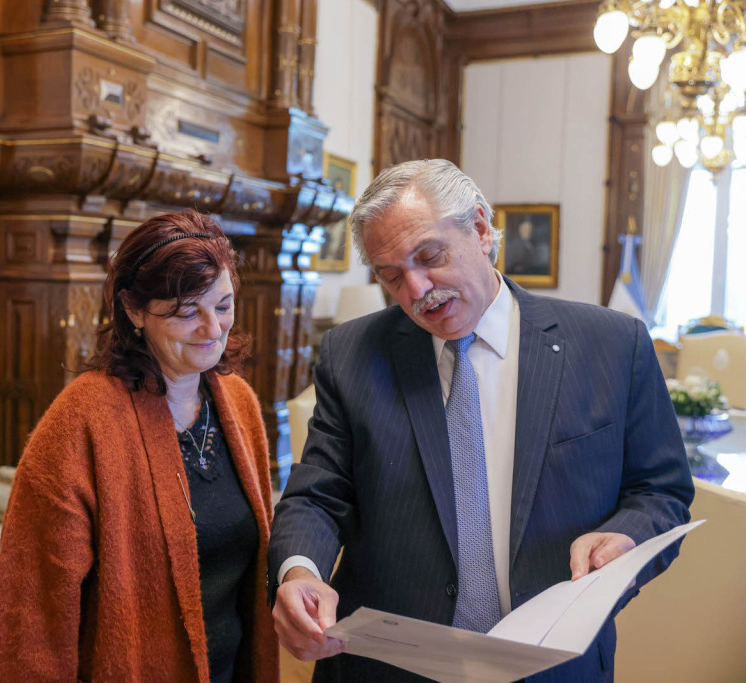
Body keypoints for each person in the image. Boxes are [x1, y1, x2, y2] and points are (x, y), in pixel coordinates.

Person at [268, 159, 694, 682]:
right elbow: (316, 496)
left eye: (430, 255)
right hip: (389, 666)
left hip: (553, 667)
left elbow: (662, 491)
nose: (418, 290)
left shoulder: (612, 345)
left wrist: (627, 537)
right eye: (392, 276)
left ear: (480, 229)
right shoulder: (351, 354)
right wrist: (299, 571)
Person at [0, 210, 279, 682]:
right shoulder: (81, 421)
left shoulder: (239, 403)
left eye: (223, 305)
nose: (213, 330)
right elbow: (32, 613)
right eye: (187, 312)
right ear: (134, 310)